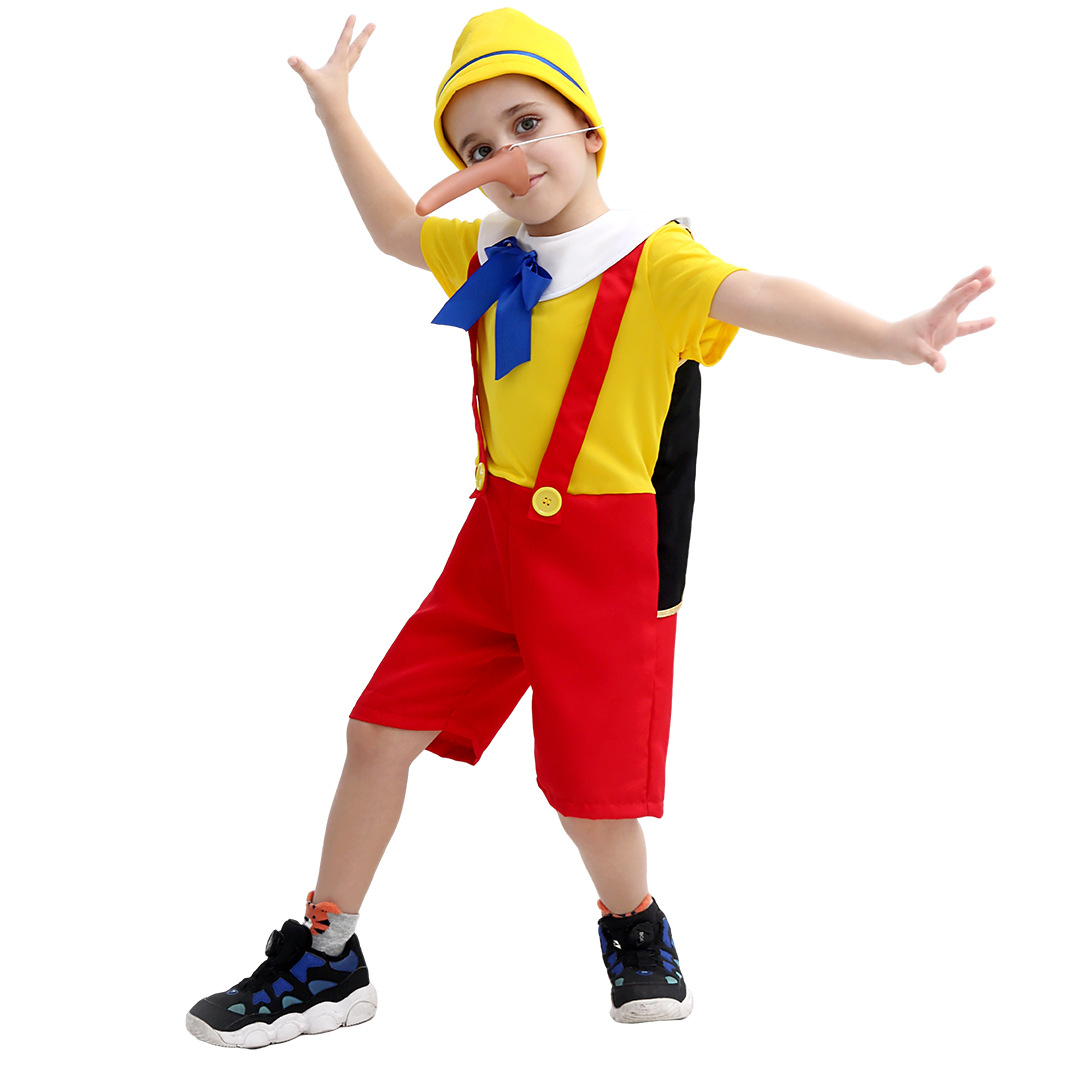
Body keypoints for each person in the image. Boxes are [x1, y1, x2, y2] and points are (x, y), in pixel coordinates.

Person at [185, 8, 996, 1049]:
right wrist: (337, 109)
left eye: (525, 125)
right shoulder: (487, 250)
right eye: (474, 147)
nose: (503, 158)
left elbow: (758, 293)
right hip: (492, 545)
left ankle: (633, 919)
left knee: (590, 796)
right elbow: (393, 228)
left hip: (604, 564)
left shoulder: (656, 262)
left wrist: (891, 334)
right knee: (377, 730)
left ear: (588, 130)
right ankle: (326, 951)